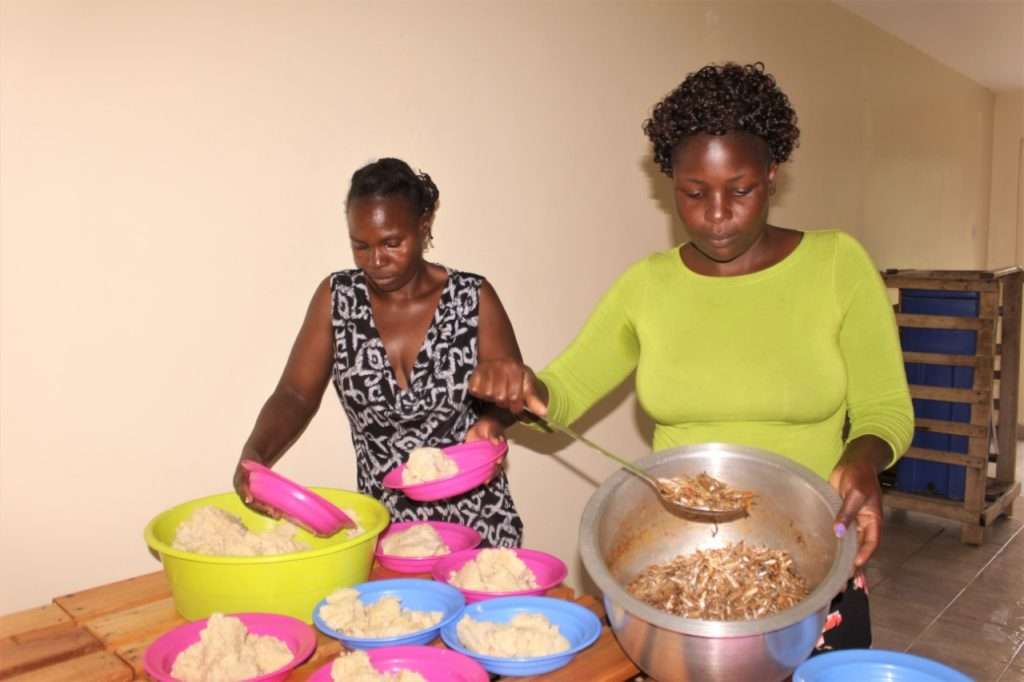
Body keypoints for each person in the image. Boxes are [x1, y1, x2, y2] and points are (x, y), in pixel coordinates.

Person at [468, 63, 913, 651]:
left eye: (742, 189)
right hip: (683, 571)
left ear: (773, 173)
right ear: (670, 183)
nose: (718, 214)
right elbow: (564, 391)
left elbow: (885, 410)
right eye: (695, 194)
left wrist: (863, 461)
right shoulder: (647, 286)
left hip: (810, 565)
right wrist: (518, 387)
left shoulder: (837, 266)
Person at [234, 157, 524, 548]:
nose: (376, 261)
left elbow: (512, 394)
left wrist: (492, 421)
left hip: (477, 525)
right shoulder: (337, 299)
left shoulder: (473, 298)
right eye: (361, 246)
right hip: (386, 534)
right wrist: (255, 456)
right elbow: (296, 395)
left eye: (391, 243)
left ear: (423, 228)